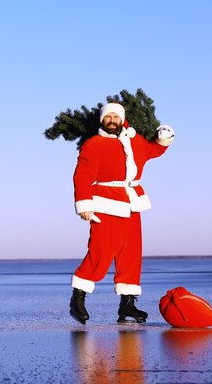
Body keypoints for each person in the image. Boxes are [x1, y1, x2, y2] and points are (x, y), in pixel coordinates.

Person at [69, 102, 175, 324]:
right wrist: (85, 206)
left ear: (122, 119)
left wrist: (163, 139)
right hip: (105, 203)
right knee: (100, 252)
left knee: (131, 254)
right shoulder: (93, 144)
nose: (111, 121)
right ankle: (77, 299)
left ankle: (127, 305)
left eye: (115, 117)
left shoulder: (134, 141)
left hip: (131, 203)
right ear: (102, 120)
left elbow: (151, 151)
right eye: (108, 117)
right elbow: (82, 175)